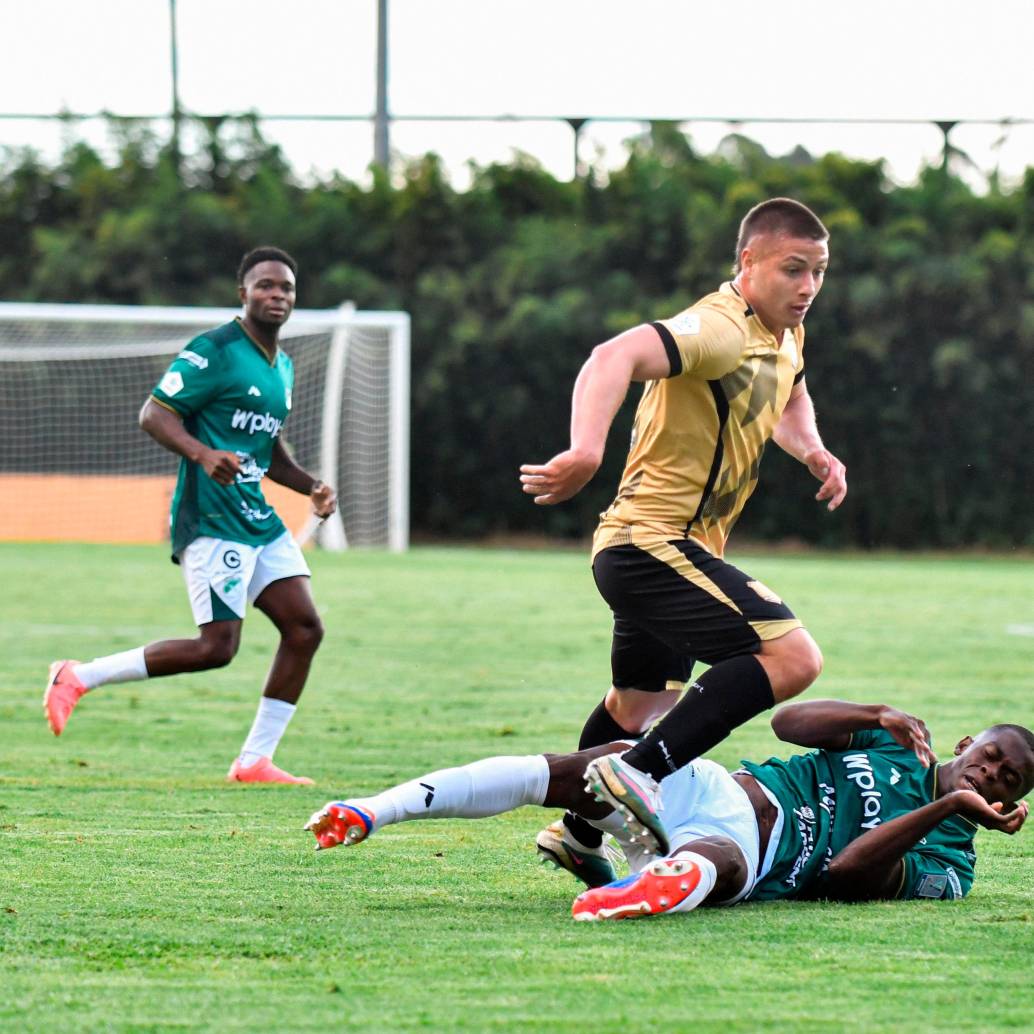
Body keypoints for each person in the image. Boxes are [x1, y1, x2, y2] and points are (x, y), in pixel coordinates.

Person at [517, 197, 848, 874]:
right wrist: (584, 450)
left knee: (638, 706)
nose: (808, 286)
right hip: (651, 544)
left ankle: (579, 833)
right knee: (794, 659)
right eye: (794, 269)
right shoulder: (720, 327)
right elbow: (613, 355)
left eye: (818, 270)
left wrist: (811, 449)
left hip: (662, 551)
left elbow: (789, 391)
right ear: (748, 262)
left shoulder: (784, 332)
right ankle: (636, 777)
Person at [303, 699, 1033, 921]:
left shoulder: (950, 866)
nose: (991, 774)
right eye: (992, 756)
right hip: (718, 788)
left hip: (754, 853)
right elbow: (786, 726)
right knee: (571, 768)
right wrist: (873, 707)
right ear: (972, 740)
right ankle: (375, 809)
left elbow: (843, 875)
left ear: (1011, 805)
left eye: (1008, 781)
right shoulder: (899, 741)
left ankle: (632, 881)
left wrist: (949, 811)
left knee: (712, 864)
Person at [43, 246, 336, 785]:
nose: (277, 295)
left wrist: (312, 486)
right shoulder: (215, 350)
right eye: (266, 285)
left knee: (304, 628)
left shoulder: (284, 366)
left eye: (287, 288)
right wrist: (202, 454)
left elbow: (267, 452)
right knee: (216, 648)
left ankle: (254, 761)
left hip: (257, 517)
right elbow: (154, 414)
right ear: (242, 293)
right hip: (211, 517)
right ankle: (77, 676)